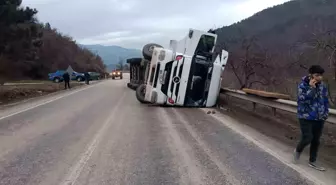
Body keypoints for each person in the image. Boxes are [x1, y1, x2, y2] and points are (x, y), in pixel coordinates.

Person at [294, 65, 328, 171]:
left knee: (316, 140)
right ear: (311, 75)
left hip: (319, 117)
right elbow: (302, 100)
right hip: (305, 116)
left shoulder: (323, 86)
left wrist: (325, 113)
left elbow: (325, 100)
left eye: (321, 76)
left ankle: (312, 161)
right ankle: (298, 151)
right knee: (308, 137)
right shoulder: (303, 86)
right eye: (317, 75)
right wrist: (312, 89)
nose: (319, 78)